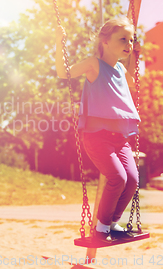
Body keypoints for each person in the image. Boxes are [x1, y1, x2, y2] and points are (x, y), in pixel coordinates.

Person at [55, 17, 140, 244]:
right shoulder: (94, 64)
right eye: (123, 39)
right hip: (97, 137)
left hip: (119, 139)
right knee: (117, 178)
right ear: (105, 41)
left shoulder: (121, 69)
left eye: (131, 39)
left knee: (132, 179)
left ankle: (112, 222)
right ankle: (101, 229)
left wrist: (137, 56)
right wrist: (58, 41)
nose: (128, 43)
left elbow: (133, 82)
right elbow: (64, 73)